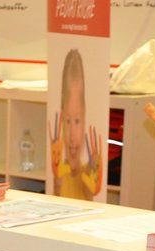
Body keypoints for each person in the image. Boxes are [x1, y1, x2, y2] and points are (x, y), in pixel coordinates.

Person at [51, 48, 101, 200]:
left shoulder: (88, 171)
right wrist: (57, 184)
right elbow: (57, 193)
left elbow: (89, 194)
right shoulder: (59, 172)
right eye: (68, 121)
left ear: (85, 118)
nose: (72, 136)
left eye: (77, 121)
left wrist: (90, 179)